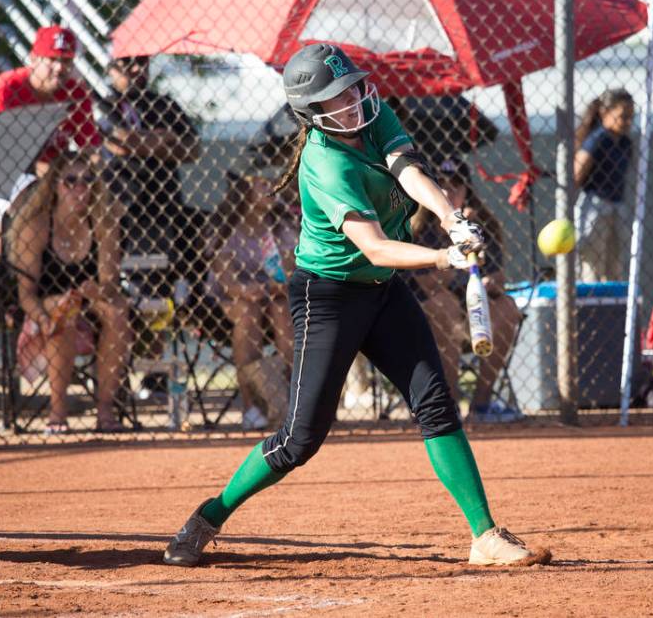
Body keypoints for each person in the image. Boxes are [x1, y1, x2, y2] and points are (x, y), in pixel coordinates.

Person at [163, 43, 551, 568]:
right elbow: (374, 246)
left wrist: (451, 217)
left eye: (352, 90)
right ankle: (207, 517)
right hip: (327, 297)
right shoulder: (324, 162)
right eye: (336, 99)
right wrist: (443, 257)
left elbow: (409, 170)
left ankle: (484, 535)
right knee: (300, 440)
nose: (352, 103)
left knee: (436, 402)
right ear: (311, 114)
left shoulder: (375, 113)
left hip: (383, 292)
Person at [99, 55, 202, 399]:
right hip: (118, 208)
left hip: (162, 211)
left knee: (156, 289)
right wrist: (162, 142)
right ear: (110, 67)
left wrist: (143, 141)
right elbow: (116, 141)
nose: (135, 70)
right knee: (118, 290)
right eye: (126, 64)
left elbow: (192, 149)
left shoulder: (162, 103)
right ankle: (115, 378)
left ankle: (153, 375)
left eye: (141, 63)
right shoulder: (104, 103)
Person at [8, 151, 133, 433]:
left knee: (117, 310)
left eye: (88, 180)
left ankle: (105, 407)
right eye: (71, 180)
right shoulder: (37, 226)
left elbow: (110, 283)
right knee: (63, 310)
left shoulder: (103, 223)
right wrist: (43, 317)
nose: (80, 188)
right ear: (54, 185)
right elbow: (26, 294)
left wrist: (96, 289)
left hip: (91, 300)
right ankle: (58, 409)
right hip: (45, 307)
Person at [408, 156, 523, 423]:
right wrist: (456, 254)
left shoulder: (483, 225)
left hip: (473, 308)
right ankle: (448, 401)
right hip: (427, 313)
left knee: (506, 306)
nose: (448, 192)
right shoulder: (418, 226)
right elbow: (427, 284)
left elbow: (498, 276)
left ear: (467, 191)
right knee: (444, 303)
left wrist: (490, 282)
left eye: (456, 186)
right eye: (442, 185)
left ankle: (481, 402)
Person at [208, 172, 298, 430]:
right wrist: (249, 289)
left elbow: (291, 272)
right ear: (243, 193)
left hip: (274, 296)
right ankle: (251, 405)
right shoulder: (228, 227)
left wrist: (273, 285)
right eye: (263, 184)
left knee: (281, 309)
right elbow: (228, 282)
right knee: (248, 311)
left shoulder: (281, 226)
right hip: (232, 299)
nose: (271, 188)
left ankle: (293, 398)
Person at [0, 26, 101, 183]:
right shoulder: (5, 88)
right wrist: (48, 171)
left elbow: (90, 150)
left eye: (66, 60)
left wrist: (99, 178)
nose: (59, 67)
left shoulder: (76, 92)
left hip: (54, 176)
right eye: (52, 59)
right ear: (34, 59)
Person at [572, 88, 635, 282]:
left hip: (616, 204)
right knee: (593, 262)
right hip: (596, 204)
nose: (627, 122)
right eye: (622, 116)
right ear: (605, 114)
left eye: (631, 117)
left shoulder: (624, 142)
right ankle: (591, 304)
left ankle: (613, 304)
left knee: (614, 263)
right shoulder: (598, 139)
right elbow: (577, 172)